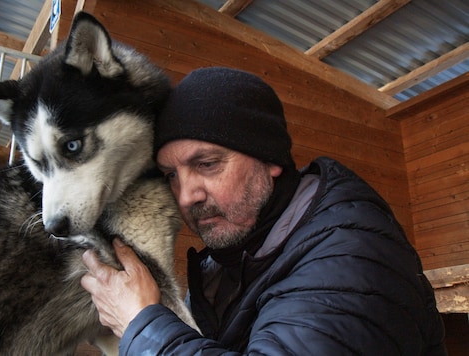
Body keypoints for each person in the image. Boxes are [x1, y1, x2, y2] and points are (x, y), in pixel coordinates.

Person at [80, 67, 446, 355]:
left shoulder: (350, 257)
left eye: (207, 164)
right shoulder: (225, 260)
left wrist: (140, 323)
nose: (186, 195)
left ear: (268, 159)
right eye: (171, 175)